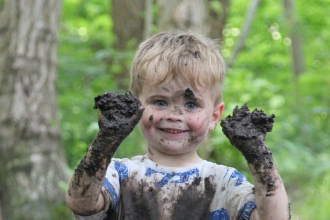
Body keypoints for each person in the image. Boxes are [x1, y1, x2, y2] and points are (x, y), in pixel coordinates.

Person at [66, 31, 290, 220]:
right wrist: (106, 140)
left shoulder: (224, 182)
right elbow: (81, 203)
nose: (175, 115)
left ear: (214, 116)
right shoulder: (120, 174)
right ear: (134, 107)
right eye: (160, 102)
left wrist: (257, 154)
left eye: (191, 104)